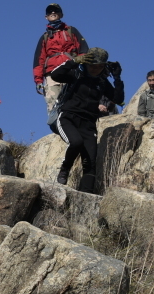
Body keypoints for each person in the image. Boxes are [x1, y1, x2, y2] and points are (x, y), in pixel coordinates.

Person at [47, 48, 124, 192]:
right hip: (68, 118)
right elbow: (55, 74)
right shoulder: (76, 74)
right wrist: (74, 61)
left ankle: (85, 197)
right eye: (93, 65)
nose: (96, 69)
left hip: (88, 124)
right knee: (76, 142)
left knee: (90, 163)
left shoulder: (102, 82)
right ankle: (65, 168)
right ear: (87, 63)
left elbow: (118, 99)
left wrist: (117, 78)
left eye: (100, 66)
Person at [33, 3, 89, 113]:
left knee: (75, 100)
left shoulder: (71, 31)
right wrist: (38, 81)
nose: (53, 13)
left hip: (71, 71)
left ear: (61, 14)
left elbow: (83, 50)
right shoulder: (45, 37)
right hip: (51, 74)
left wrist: (82, 67)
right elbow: (38, 60)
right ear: (46, 17)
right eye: (50, 11)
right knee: (53, 103)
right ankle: (57, 128)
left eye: (56, 11)